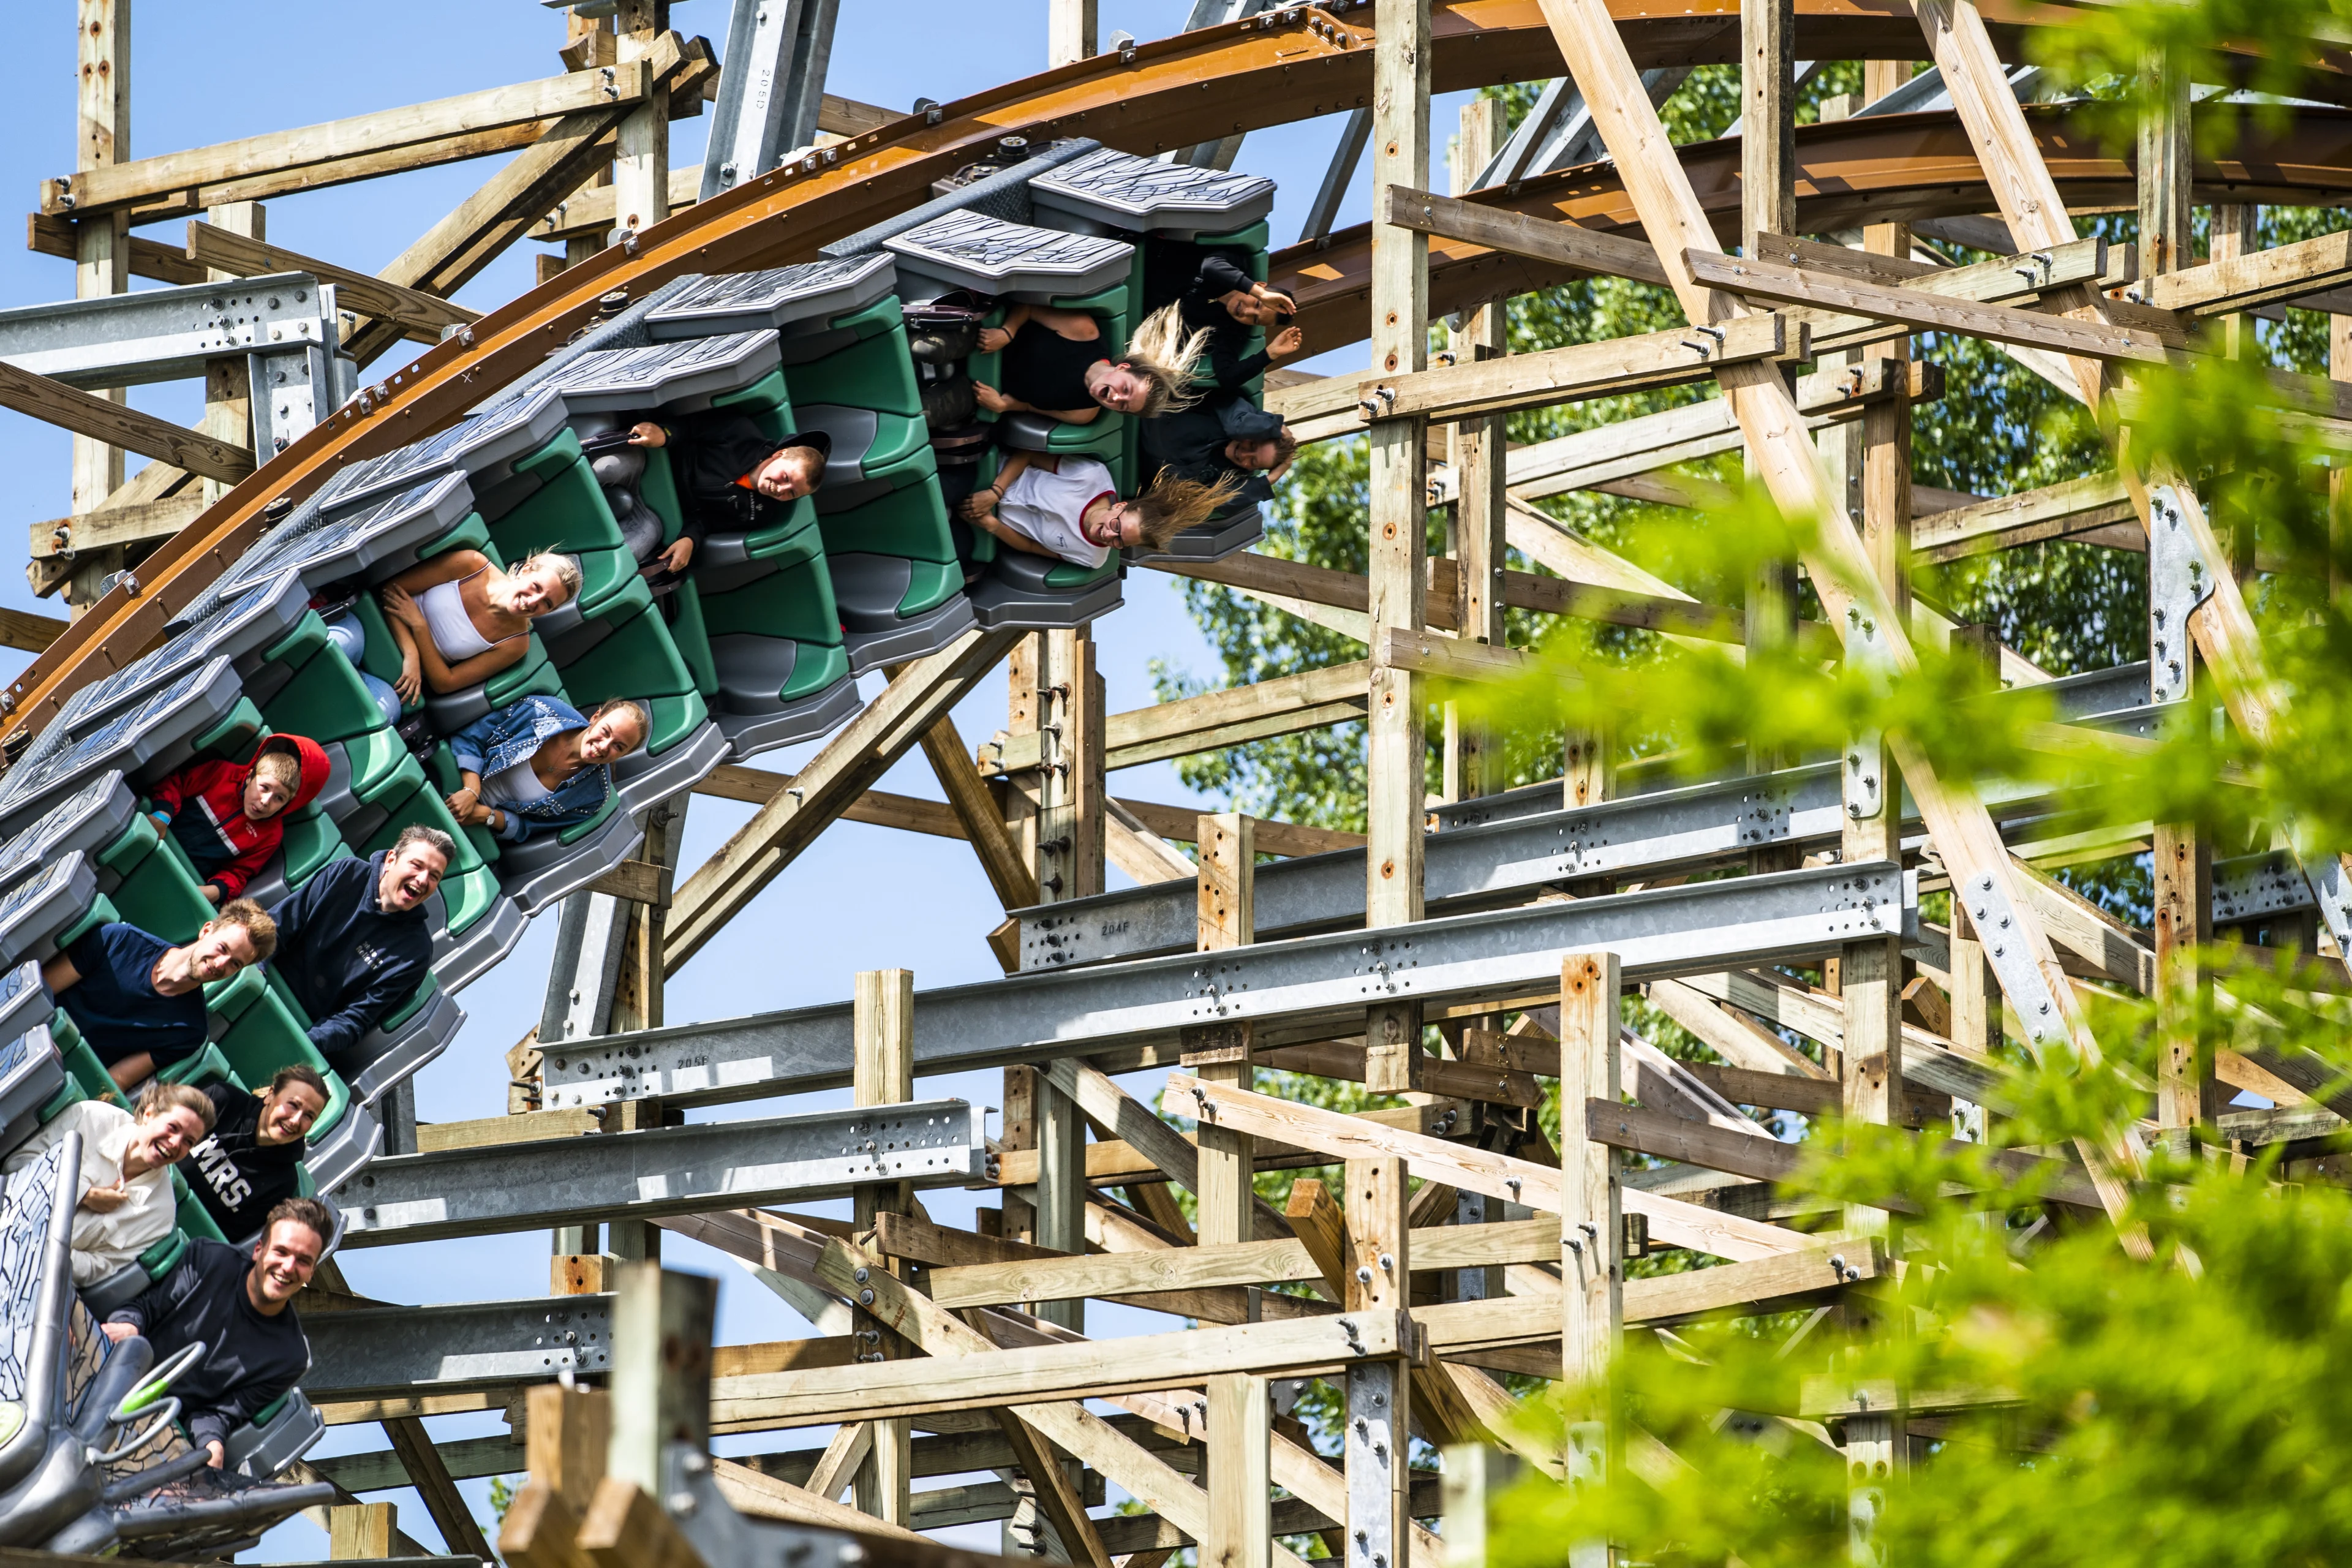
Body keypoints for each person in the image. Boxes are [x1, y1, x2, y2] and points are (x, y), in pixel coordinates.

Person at [100, 1196, 329, 1470]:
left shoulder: (290, 1358)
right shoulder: (210, 1259)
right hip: (115, 1371)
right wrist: (129, 1325)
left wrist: (212, 1444)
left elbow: (219, 1414)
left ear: (312, 1272)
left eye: (303, 1261)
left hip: (157, 1429)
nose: (289, 1267)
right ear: (259, 1250)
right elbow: (145, 1309)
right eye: (281, 1252)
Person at [321, 551, 580, 726]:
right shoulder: (472, 564)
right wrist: (411, 652)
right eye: (536, 587)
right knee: (338, 648)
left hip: (396, 678)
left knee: (384, 713)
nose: (534, 601)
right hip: (369, 629)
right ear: (526, 570)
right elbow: (391, 590)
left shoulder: (516, 644)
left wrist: (420, 627)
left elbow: (446, 682)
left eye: (547, 603)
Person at [266, 826, 449, 1069]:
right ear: (391, 860)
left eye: (434, 876)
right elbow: (278, 926)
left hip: (302, 1028)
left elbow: (355, 1020)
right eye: (417, 865)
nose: (423, 880)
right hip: (265, 982)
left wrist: (304, 1044)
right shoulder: (347, 873)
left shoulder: (416, 954)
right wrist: (256, 973)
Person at [42, 903, 277, 1091]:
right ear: (207, 931)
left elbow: (114, 1081)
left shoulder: (190, 1031)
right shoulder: (120, 940)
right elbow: (40, 994)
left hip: (61, 1080)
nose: (220, 964)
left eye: (235, 964)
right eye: (223, 948)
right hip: (35, 1035)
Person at [5, 1082, 214, 1286]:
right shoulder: (92, 1118)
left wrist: (43, 1250)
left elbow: (99, 1268)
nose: (175, 1143)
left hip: (34, 1279)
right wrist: (83, 1194)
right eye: (173, 1127)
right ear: (149, 1114)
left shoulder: (161, 1213)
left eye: (188, 1141)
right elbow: (19, 1163)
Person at [608, 417, 831, 587]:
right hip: (648, 466)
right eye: (786, 478)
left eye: (791, 493)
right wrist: (665, 434)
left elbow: (708, 521)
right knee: (608, 468)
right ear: (779, 455)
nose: (780, 489)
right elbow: (689, 425)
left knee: (631, 551)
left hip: (655, 514)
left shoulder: (760, 514)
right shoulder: (739, 433)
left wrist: (689, 539)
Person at [957, 454, 1242, 568]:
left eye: (1119, 542)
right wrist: (995, 492)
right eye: (1116, 527)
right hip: (990, 475)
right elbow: (1027, 456)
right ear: (1120, 506)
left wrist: (992, 525)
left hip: (983, 526)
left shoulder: (1093, 557)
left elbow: (1031, 546)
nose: (1108, 536)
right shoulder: (1092, 477)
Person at [145, 734, 330, 905]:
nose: (266, 801)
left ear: (287, 804)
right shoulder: (222, 774)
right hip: (153, 838)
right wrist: (162, 815)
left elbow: (238, 872)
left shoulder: (271, 836)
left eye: (279, 798)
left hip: (181, 876)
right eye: (264, 788)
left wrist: (214, 891)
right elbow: (177, 784)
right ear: (250, 777)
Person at [445, 696, 648, 845]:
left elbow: (528, 828)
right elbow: (469, 738)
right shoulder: (540, 711)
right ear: (596, 717)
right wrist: (471, 790)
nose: (604, 746)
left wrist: (485, 816)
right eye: (605, 732)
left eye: (618, 747)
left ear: (625, 754)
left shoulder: (594, 797)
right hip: (450, 778)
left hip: (478, 829)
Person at [972, 305, 1205, 424]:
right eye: (1126, 389)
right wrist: (1007, 332)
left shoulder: (1082, 413)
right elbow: (1028, 308)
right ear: (1123, 368)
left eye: (1123, 406)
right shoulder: (1083, 332)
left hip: (976, 389)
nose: (1117, 399)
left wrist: (1002, 406)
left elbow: (1027, 407)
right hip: (979, 338)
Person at [180, 1066, 329, 1240]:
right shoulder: (221, 1099)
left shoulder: (284, 1183)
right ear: (270, 1095)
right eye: (293, 1105)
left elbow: (222, 1238)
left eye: (309, 1116)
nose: (296, 1121)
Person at [1140, 391, 1297, 508]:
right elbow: (1236, 426)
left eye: (1253, 461)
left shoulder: (1232, 479)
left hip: (1136, 474)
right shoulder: (1236, 411)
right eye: (1252, 445)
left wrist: (1271, 479)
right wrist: (1276, 427)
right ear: (1258, 432)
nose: (1244, 454)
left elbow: (1220, 503)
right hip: (1137, 422)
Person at [1174, 252, 1305, 391]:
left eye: (1255, 319)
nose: (1247, 312)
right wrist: (1261, 294)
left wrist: (1270, 353)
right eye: (1257, 304)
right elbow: (1210, 266)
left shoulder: (1230, 330)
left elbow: (1227, 376)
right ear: (1259, 285)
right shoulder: (1238, 267)